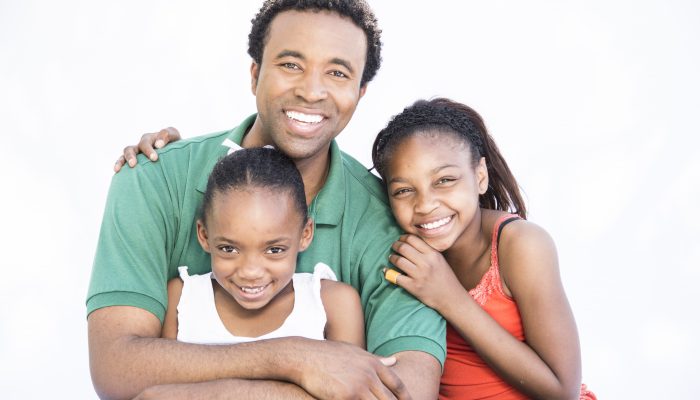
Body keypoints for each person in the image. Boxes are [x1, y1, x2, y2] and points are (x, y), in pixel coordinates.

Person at [87, 1, 444, 399]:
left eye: (337, 72)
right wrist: (294, 358)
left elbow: (407, 391)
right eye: (291, 64)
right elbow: (117, 370)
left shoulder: (391, 221)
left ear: (359, 93)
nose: (311, 90)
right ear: (255, 73)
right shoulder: (155, 179)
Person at [372, 98, 596, 399]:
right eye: (404, 190)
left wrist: (449, 298)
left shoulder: (521, 246)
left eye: (445, 180)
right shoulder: (403, 252)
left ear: (480, 176)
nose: (425, 205)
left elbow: (562, 390)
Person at [162, 147, 365, 349]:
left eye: (274, 250)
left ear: (305, 234)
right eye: (228, 249)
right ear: (204, 236)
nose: (251, 272)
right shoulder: (182, 300)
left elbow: (352, 379)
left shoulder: (333, 304)